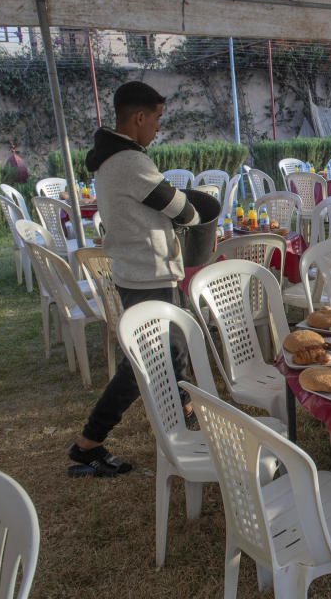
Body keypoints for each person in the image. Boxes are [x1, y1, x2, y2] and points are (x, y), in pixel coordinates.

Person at [68, 81, 198, 477]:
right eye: (157, 118)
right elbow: (181, 209)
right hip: (146, 274)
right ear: (139, 117)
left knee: (171, 351)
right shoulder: (130, 162)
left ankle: (187, 417)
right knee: (141, 363)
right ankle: (89, 443)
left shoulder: (112, 158)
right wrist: (191, 212)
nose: (158, 127)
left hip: (139, 270)